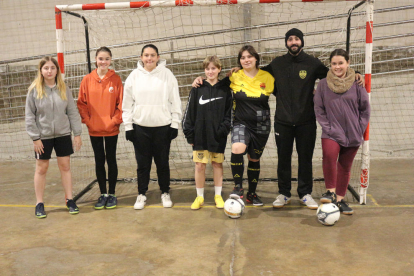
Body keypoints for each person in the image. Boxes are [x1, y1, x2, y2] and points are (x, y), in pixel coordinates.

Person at [260, 28, 364, 210]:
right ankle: (284, 193)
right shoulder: (277, 63)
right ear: (286, 42)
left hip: (306, 121)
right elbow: (256, 73)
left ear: (302, 41)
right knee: (283, 158)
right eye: (290, 39)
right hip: (283, 121)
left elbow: (335, 73)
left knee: (305, 158)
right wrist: (237, 71)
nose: (293, 42)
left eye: (297, 39)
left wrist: (354, 74)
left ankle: (305, 193)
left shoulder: (312, 63)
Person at [193, 45, 275, 206]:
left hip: (261, 125)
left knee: (254, 158)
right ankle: (238, 187)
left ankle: (252, 194)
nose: (246, 60)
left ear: (256, 58)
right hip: (241, 122)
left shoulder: (268, 77)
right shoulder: (234, 76)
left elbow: (284, 93)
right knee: (237, 148)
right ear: (239, 61)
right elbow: (214, 84)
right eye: (243, 58)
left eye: (249, 57)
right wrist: (199, 81)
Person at [122, 44, 182, 210]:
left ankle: (165, 192)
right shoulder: (133, 77)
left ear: (157, 57)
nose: (149, 58)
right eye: (146, 55)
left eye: (152, 55)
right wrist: (128, 126)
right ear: (141, 57)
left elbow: (175, 100)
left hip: (163, 127)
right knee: (143, 164)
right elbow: (127, 104)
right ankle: (141, 194)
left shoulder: (167, 75)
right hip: (140, 128)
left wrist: (174, 123)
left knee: (162, 163)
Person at [314, 49, 370, 215]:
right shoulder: (323, 84)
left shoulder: (357, 83)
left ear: (348, 63)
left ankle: (340, 200)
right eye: (334, 64)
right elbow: (319, 109)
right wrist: (328, 127)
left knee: (345, 167)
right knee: (330, 156)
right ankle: (330, 192)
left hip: (353, 132)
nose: (337, 67)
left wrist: (359, 128)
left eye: (340, 63)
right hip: (331, 132)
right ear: (330, 65)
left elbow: (365, 109)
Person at [25, 56, 82, 218]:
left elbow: (72, 111)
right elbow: (29, 116)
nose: (49, 71)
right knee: (41, 168)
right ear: (41, 71)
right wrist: (35, 137)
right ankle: (39, 203)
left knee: (65, 166)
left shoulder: (64, 88)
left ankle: (69, 200)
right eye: (46, 68)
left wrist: (77, 133)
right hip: (43, 137)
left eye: (52, 68)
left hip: (63, 134)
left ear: (57, 70)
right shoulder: (34, 90)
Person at [182, 56, 232, 210]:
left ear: (219, 69)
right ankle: (200, 197)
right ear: (204, 70)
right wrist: (190, 134)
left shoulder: (225, 90)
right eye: (207, 69)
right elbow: (189, 113)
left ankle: (218, 195)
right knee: (199, 166)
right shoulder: (197, 89)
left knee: (217, 164)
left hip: (217, 136)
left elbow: (228, 114)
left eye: (213, 68)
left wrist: (222, 131)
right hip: (200, 135)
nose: (210, 71)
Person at [77, 47, 123, 210]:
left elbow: (121, 103)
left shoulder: (116, 79)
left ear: (110, 60)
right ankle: (102, 193)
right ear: (95, 60)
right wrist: (88, 121)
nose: (104, 62)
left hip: (111, 128)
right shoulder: (87, 80)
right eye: (101, 58)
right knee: (99, 160)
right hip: (94, 128)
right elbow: (81, 103)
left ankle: (112, 194)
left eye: (107, 59)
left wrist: (115, 121)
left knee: (111, 158)